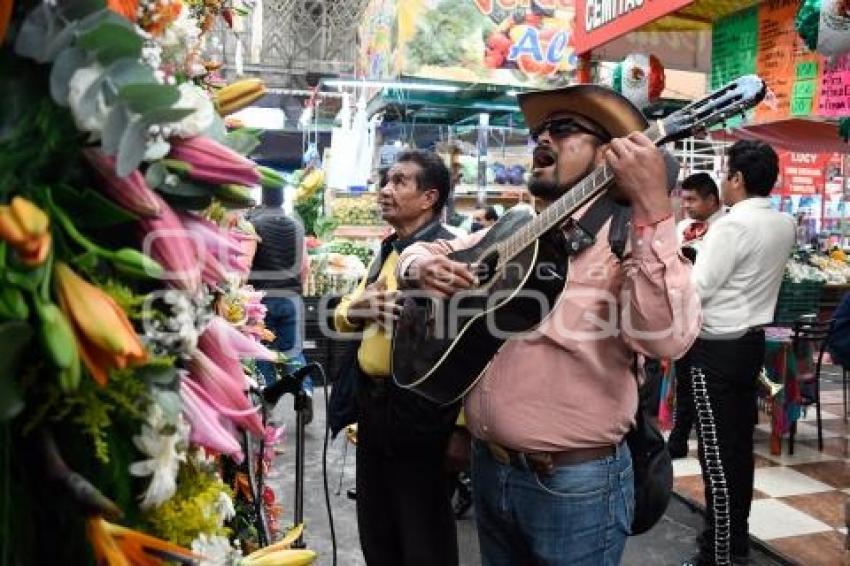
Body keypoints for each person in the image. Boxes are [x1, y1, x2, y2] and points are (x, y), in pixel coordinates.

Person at [397, 85, 700, 565]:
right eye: (540, 130)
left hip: (575, 487)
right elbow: (424, 250)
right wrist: (417, 269)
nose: (544, 138)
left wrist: (651, 210)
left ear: (608, 154)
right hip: (490, 471)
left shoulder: (627, 237)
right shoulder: (517, 227)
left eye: (563, 130)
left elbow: (666, 337)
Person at [333, 150, 461, 566]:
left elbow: (471, 347)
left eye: (400, 182)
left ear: (429, 198)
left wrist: (461, 429)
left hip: (422, 412)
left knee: (421, 534)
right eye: (386, 180)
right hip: (375, 408)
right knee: (378, 526)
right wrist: (359, 309)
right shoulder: (388, 249)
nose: (385, 190)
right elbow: (342, 314)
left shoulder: (451, 255)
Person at [683, 140, 795, 566]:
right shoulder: (784, 223)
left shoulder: (732, 226)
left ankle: (721, 552)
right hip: (750, 343)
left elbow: (698, 289)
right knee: (737, 451)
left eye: (724, 172)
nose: (721, 180)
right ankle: (734, 544)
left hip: (715, 348)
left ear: (738, 179)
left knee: (716, 456)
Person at [669, 173, 725, 458]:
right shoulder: (682, 227)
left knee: (705, 385)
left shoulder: (726, 229)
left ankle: (703, 444)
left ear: (712, 200)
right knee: (684, 379)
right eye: (684, 198)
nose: (686, 205)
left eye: (692, 199)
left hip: (715, 318)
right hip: (682, 315)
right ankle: (679, 439)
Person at [247, 184, 313, 418]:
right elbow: (305, 266)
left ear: (263, 199)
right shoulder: (296, 226)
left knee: (262, 350)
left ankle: (267, 398)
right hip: (291, 296)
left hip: (262, 298)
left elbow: (246, 262)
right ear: (283, 200)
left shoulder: (255, 224)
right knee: (292, 350)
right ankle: (305, 391)